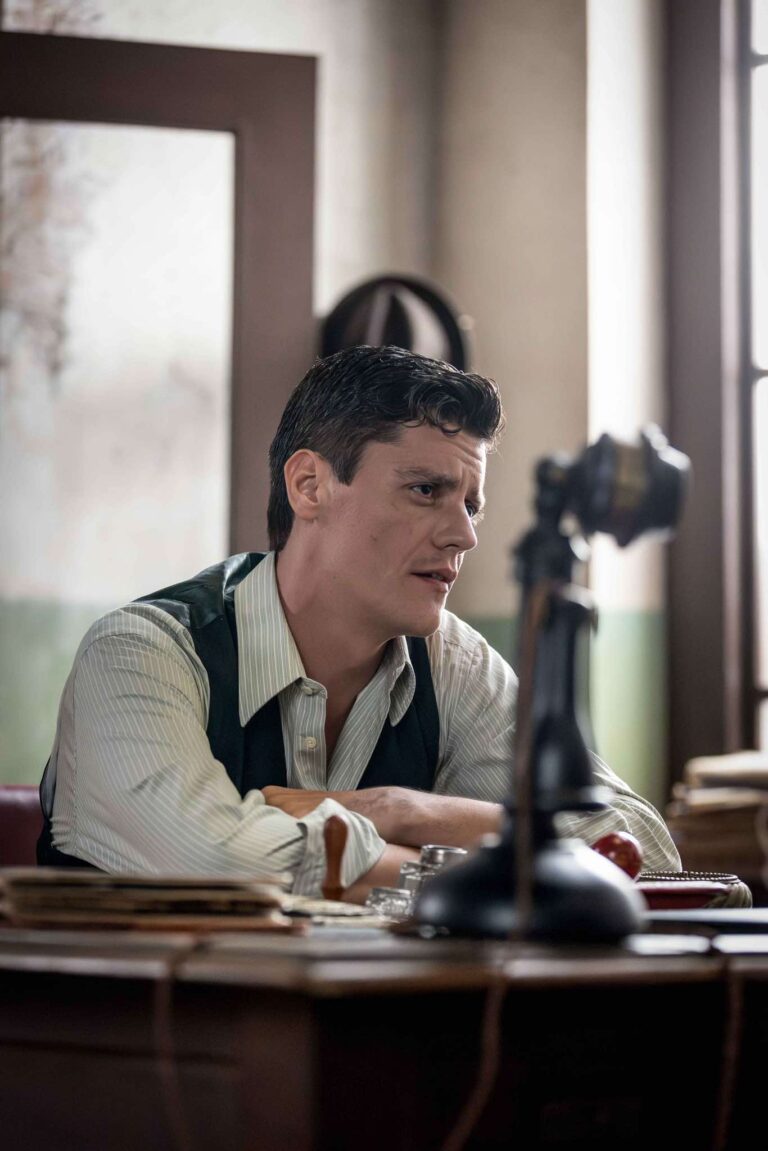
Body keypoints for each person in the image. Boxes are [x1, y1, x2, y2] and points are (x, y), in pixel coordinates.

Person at [39, 346, 680, 899]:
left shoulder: (451, 661)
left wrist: (401, 810)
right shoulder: (139, 654)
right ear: (309, 486)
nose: (463, 536)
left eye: (471, 505)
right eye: (425, 491)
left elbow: (641, 851)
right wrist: (494, 870)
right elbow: (220, 862)